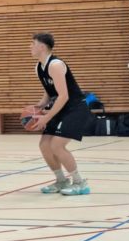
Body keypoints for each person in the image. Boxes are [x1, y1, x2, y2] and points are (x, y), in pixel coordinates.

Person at [26, 32, 91, 196]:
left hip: (76, 109)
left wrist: (46, 117)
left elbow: (63, 96)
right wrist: (38, 107)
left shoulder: (55, 65)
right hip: (61, 108)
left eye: (33, 43)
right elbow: (49, 93)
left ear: (42, 47)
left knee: (57, 145)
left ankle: (80, 183)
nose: (30, 46)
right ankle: (61, 180)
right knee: (44, 145)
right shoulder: (39, 67)